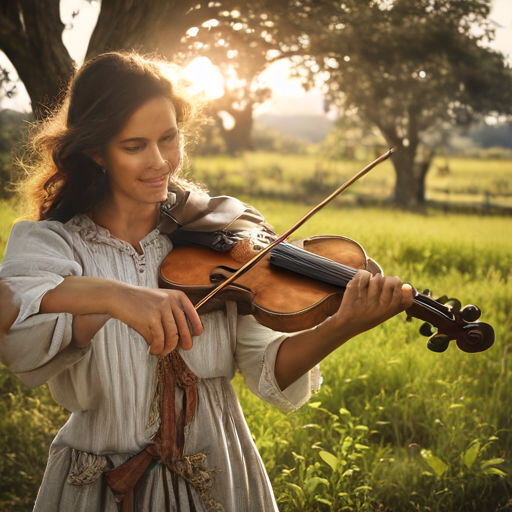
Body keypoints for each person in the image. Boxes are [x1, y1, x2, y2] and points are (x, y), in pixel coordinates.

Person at [0, 52, 414, 512]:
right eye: (134, 146)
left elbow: (269, 368)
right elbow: (18, 322)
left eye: (169, 138)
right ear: (97, 151)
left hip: (220, 476)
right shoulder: (52, 245)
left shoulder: (224, 234)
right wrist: (114, 296)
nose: (160, 162)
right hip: (99, 487)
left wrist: (342, 325)